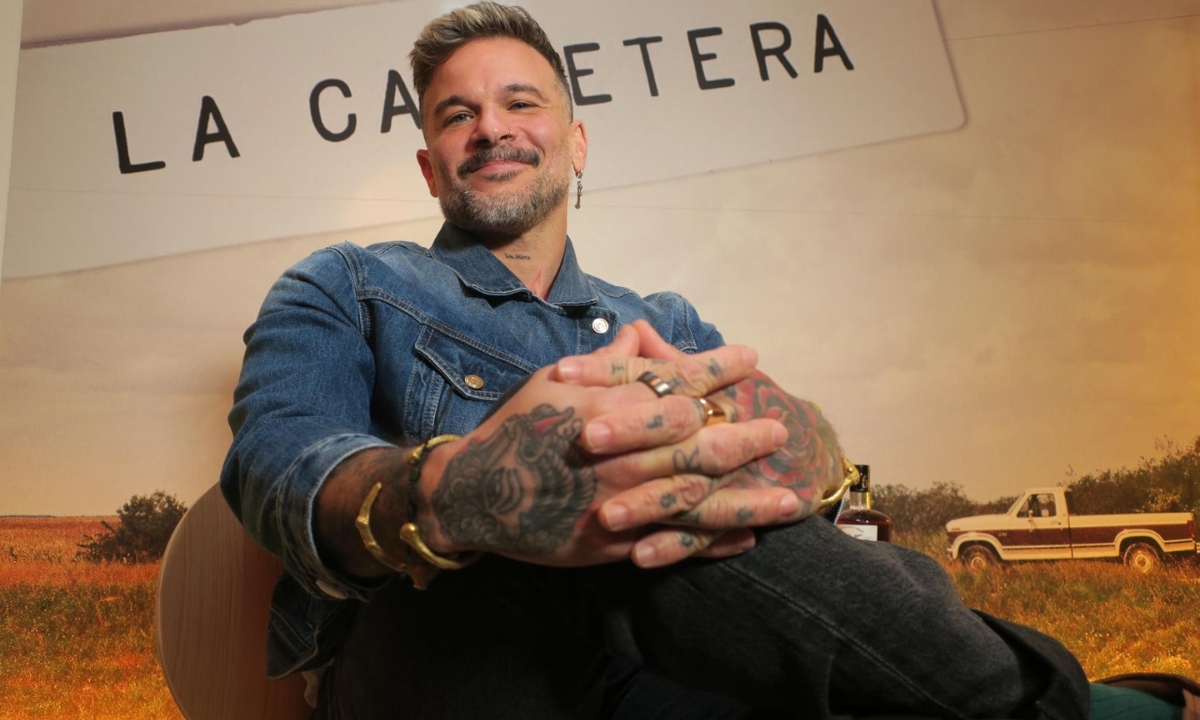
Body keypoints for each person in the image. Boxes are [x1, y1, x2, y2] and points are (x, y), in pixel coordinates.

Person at [220, 3, 1107, 719]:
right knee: (605, 494)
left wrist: (778, 437)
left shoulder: (665, 320)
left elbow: (810, 474)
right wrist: (456, 492)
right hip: (435, 670)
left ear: (576, 144)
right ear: (430, 167)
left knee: (781, 587)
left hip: (665, 670)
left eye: (521, 104)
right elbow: (276, 458)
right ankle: (1063, 703)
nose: (491, 128)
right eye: (459, 115)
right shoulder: (349, 283)